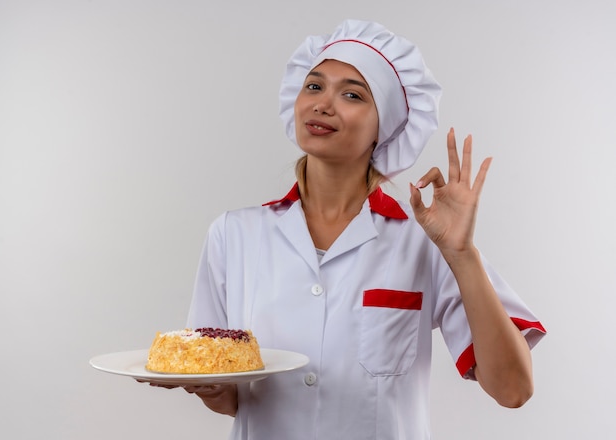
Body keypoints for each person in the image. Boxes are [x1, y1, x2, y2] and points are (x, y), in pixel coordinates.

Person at [155, 19, 546, 439]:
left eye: (352, 95)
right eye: (314, 86)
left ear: (386, 127)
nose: (323, 105)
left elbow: (513, 390)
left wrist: (463, 255)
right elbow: (231, 396)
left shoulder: (424, 242)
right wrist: (210, 390)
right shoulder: (233, 235)